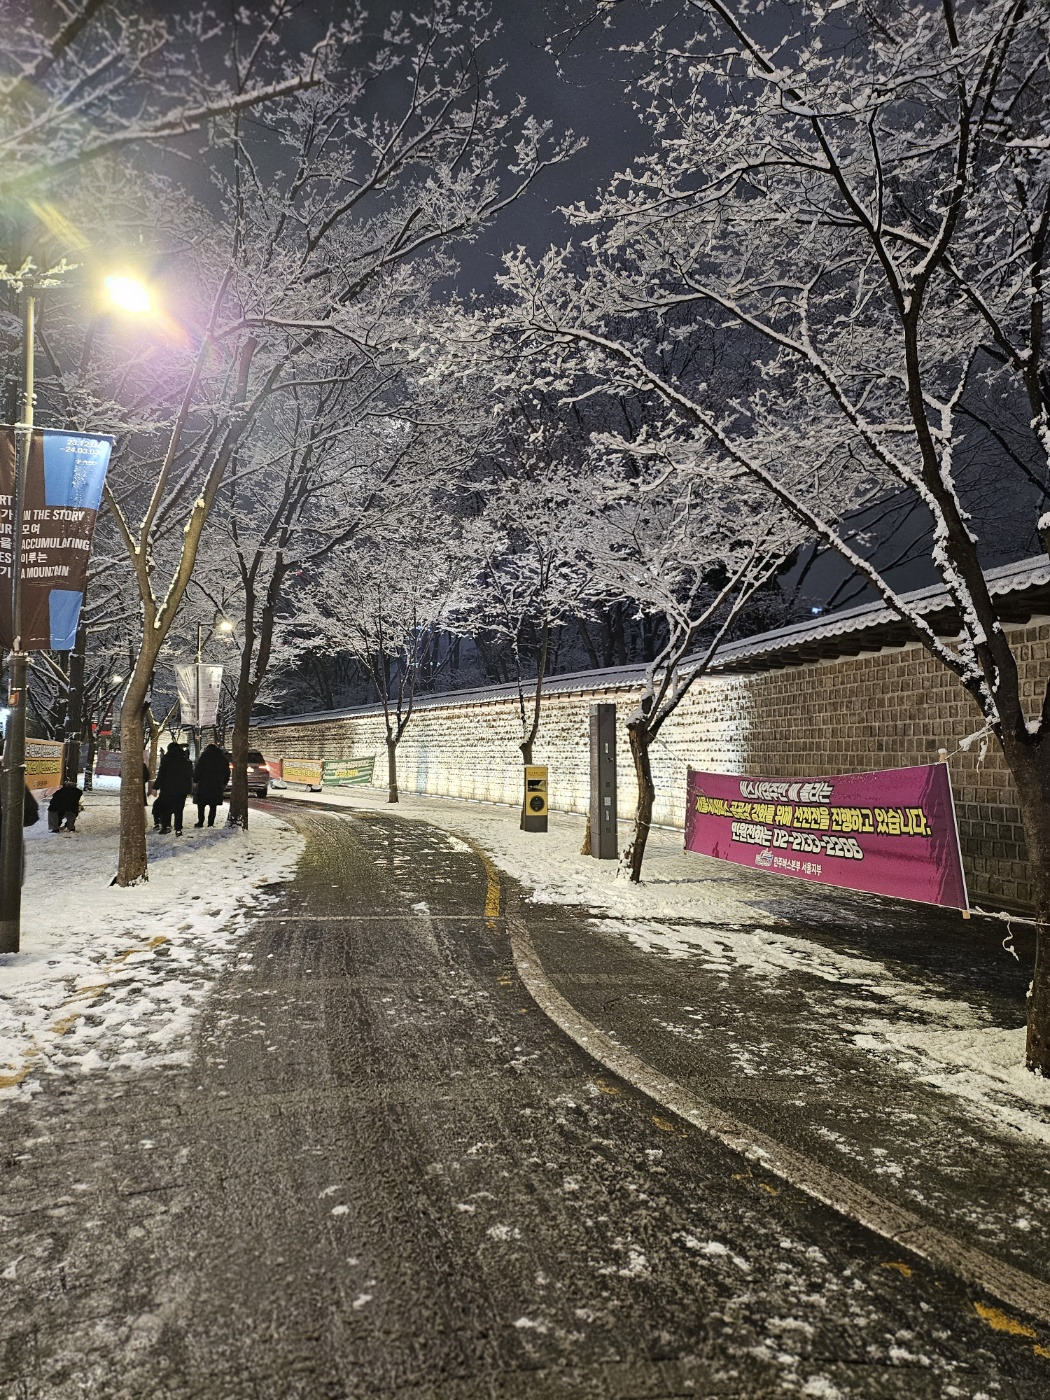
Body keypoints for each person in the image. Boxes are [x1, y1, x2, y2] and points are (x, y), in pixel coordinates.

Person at [154, 742, 194, 835]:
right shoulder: (186, 761)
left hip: (167, 789)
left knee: (165, 808)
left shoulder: (166, 760)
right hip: (182, 789)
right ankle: (178, 828)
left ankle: (165, 826)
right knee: (179, 809)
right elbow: (190, 775)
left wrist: (156, 786)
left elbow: (161, 775)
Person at [193, 741, 230, 828]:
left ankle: (200, 821)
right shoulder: (222, 757)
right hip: (216, 784)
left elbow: (198, 769)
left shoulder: (204, 756)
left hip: (204, 783)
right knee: (213, 805)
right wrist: (225, 782)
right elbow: (227, 771)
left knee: (201, 804)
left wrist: (195, 780)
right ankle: (210, 823)